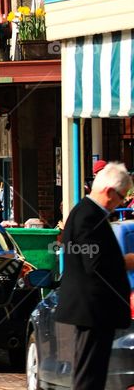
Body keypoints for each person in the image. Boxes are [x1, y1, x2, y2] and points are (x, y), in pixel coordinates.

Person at [56, 162, 134, 390]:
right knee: (89, 377)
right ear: (109, 191)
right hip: (93, 311)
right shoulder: (89, 216)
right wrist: (128, 261)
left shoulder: (85, 212)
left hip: (93, 310)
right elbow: (96, 264)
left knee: (91, 374)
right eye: (121, 197)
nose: (120, 203)